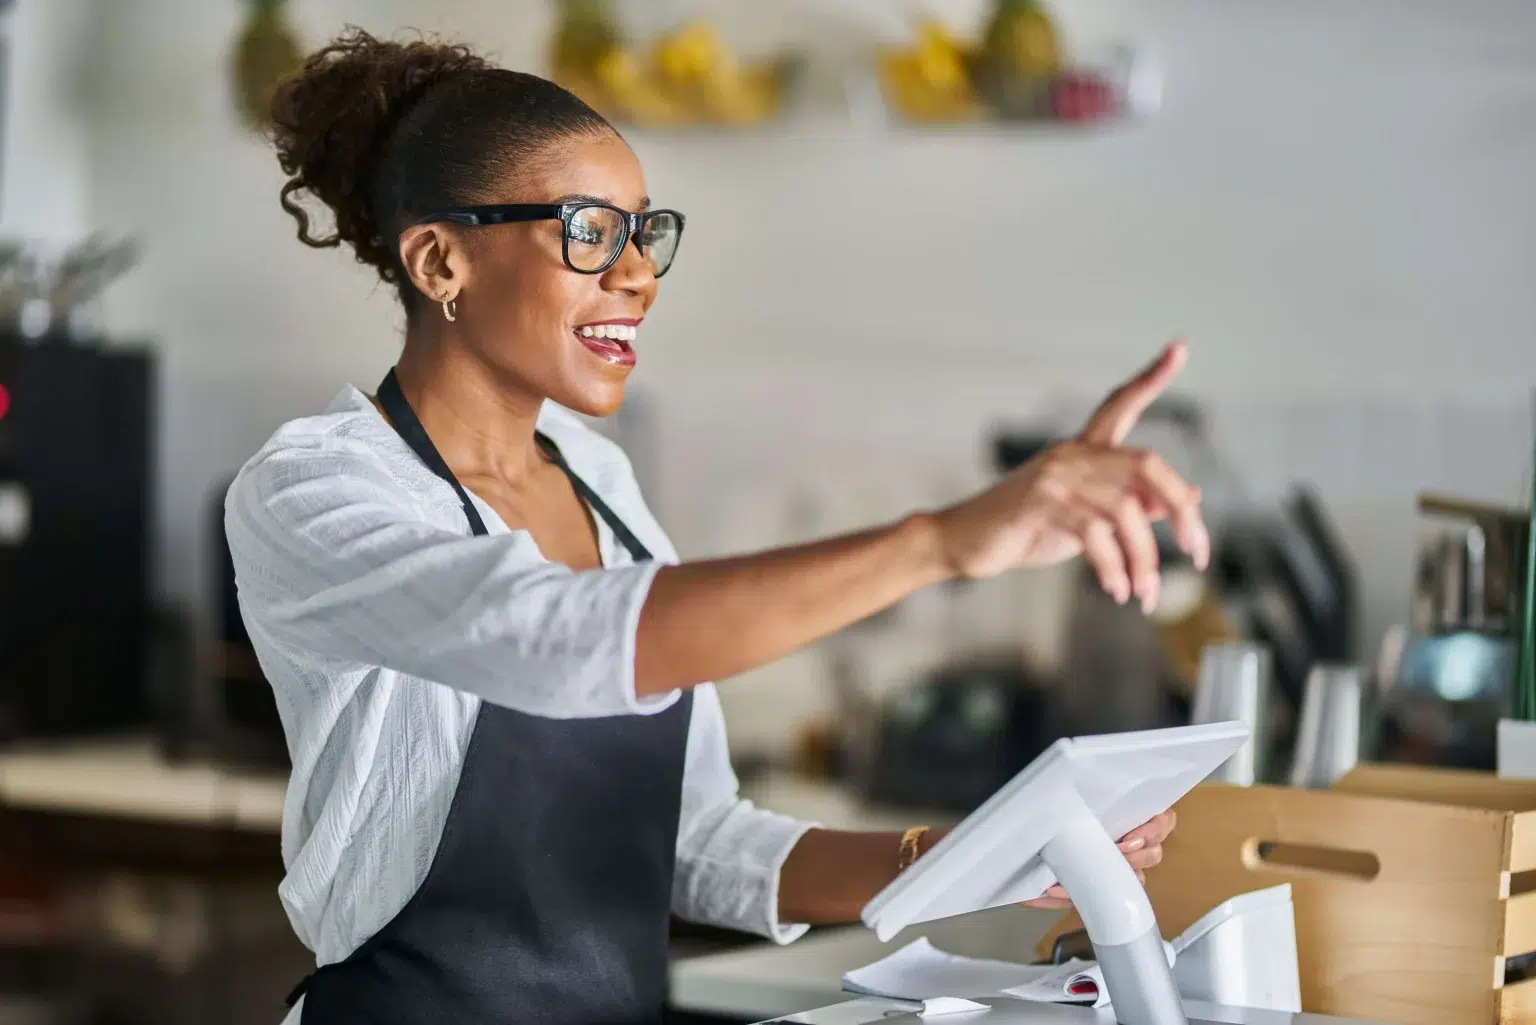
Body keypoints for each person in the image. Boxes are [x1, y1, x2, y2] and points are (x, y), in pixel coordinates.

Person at [225, 29, 1208, 1025]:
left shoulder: (600, 481)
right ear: (441, 260)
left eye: (644, 234)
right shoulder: (314, 487)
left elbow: (692, 841)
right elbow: (555, 639)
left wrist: (977, 858)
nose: (639, 276)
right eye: (589, 232)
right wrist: (941, 542)